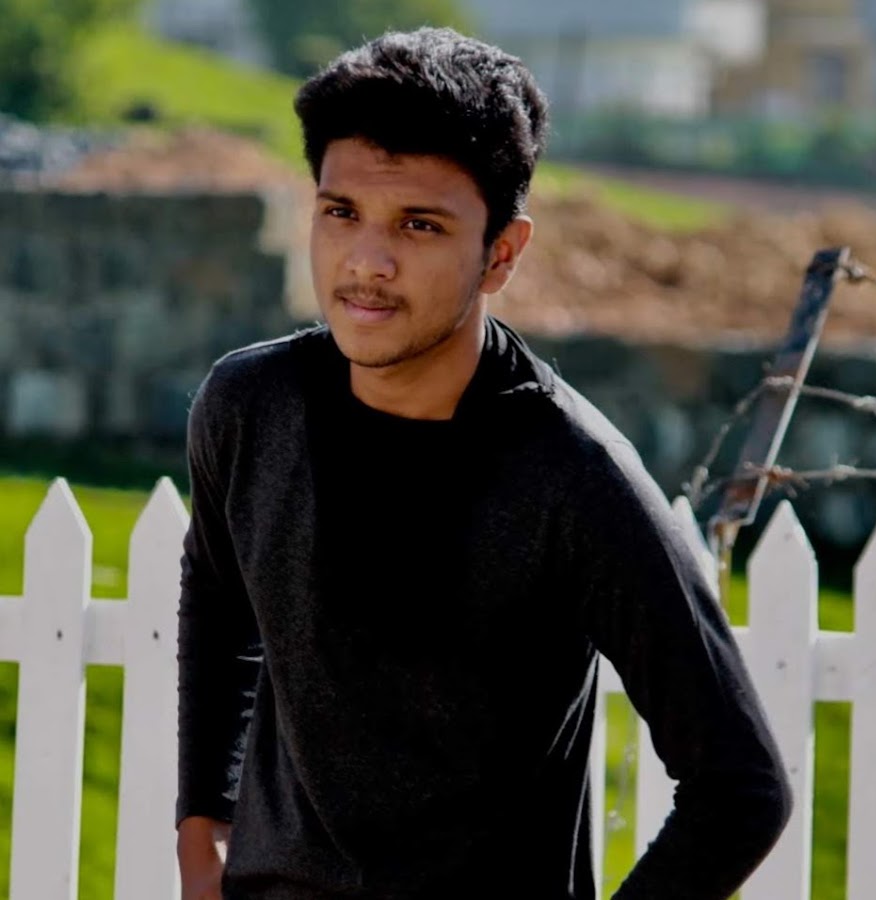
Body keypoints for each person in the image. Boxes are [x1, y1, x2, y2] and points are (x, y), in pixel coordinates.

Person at [176, 26, 791, 900]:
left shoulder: (573, 476)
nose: (367, 262)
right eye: (341, 212)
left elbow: (740, 789)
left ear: (501, 253)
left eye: (419, 225)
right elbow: (218, 600)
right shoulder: (248, 406)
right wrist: (202, 827)